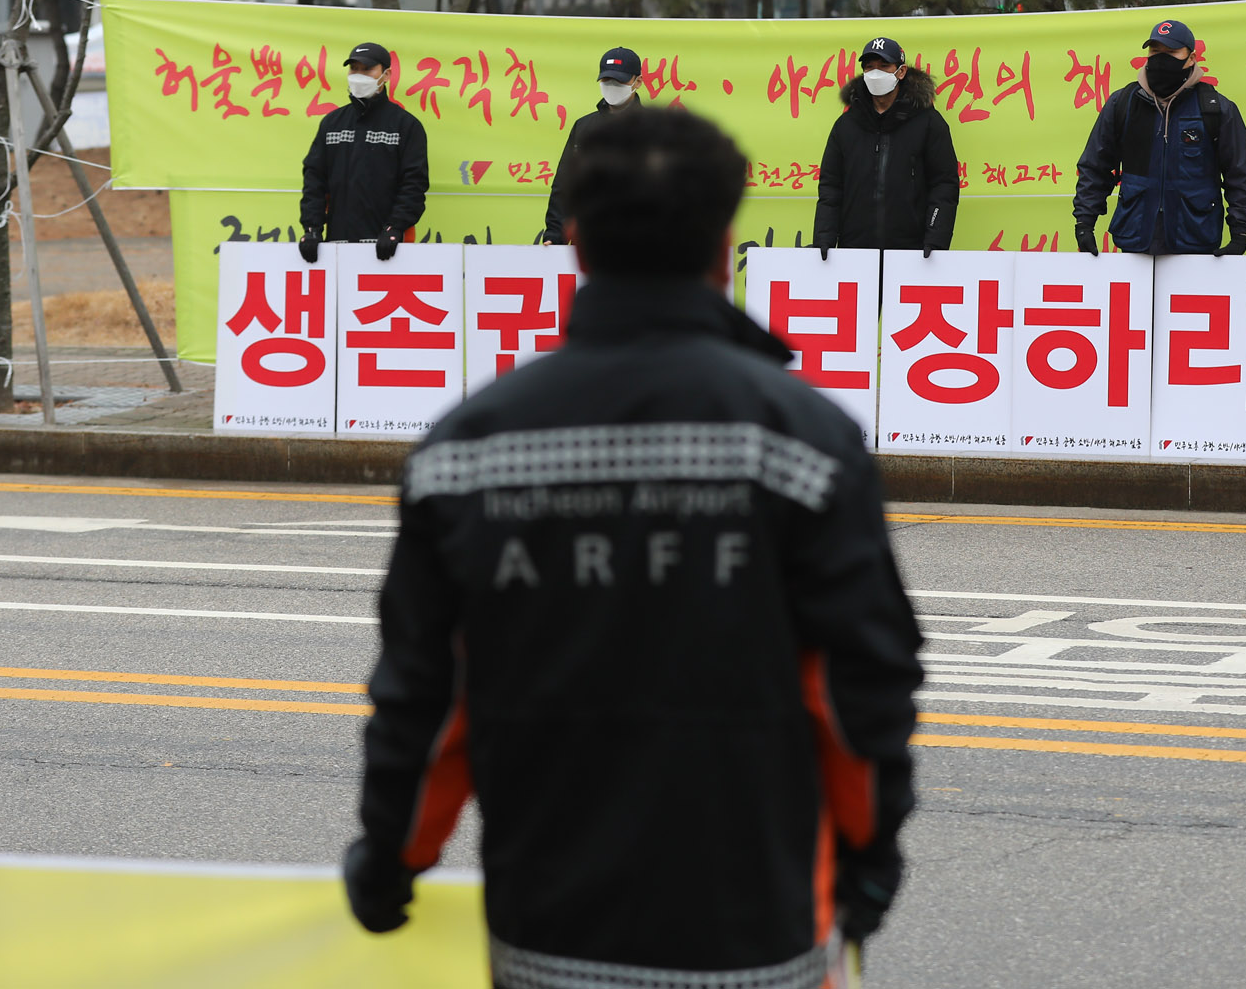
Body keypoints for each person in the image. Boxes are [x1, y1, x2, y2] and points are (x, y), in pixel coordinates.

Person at [344, 106, 924, 989]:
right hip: (759, 934)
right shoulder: (803, 442)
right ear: (725, 244)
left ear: (574, 240)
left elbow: (430, 695)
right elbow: (858, 684)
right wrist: (870, 852)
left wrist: (392, 855)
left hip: (549, 939)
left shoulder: (466, 453)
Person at [1073, 19, 1246, 257]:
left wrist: (1240, 233)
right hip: (1134, 239)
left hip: (1196, 240)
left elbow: (1241, 173)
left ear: (1191, 58)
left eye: (1171, 52)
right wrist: (1084, 223)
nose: (1161, 59)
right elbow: (1095, 166)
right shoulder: (1123, 104)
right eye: (1155, 51)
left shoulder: (1215, 108)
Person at [811, 36, 959, 259]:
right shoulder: (846, 126)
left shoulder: (928, 123)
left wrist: (935, 241)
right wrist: (824, 239)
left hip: (911, 253)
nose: (875, 73)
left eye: (883, 66)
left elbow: (944, 185)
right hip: (855, 252)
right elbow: (831, 188)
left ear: (900, 72)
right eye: (869, 67)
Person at [298, 41, 429, 263]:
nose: (358, 75)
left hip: (389, 246)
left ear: (386, 74)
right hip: (337, 245)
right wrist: (312, 228)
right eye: (354, 69)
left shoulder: (405, 125)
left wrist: (395, 227)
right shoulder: (332, 123)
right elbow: (314, 179)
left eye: (367, 69)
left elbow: (414, 184)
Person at [542, 46, 643, 244]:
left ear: (637, 82)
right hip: (591, 241)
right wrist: (555, 234)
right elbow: (565, 184)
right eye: (606, 80)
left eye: (619, 80)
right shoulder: (584, 127)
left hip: (640, 242)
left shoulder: (653, 128)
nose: (611, 85)